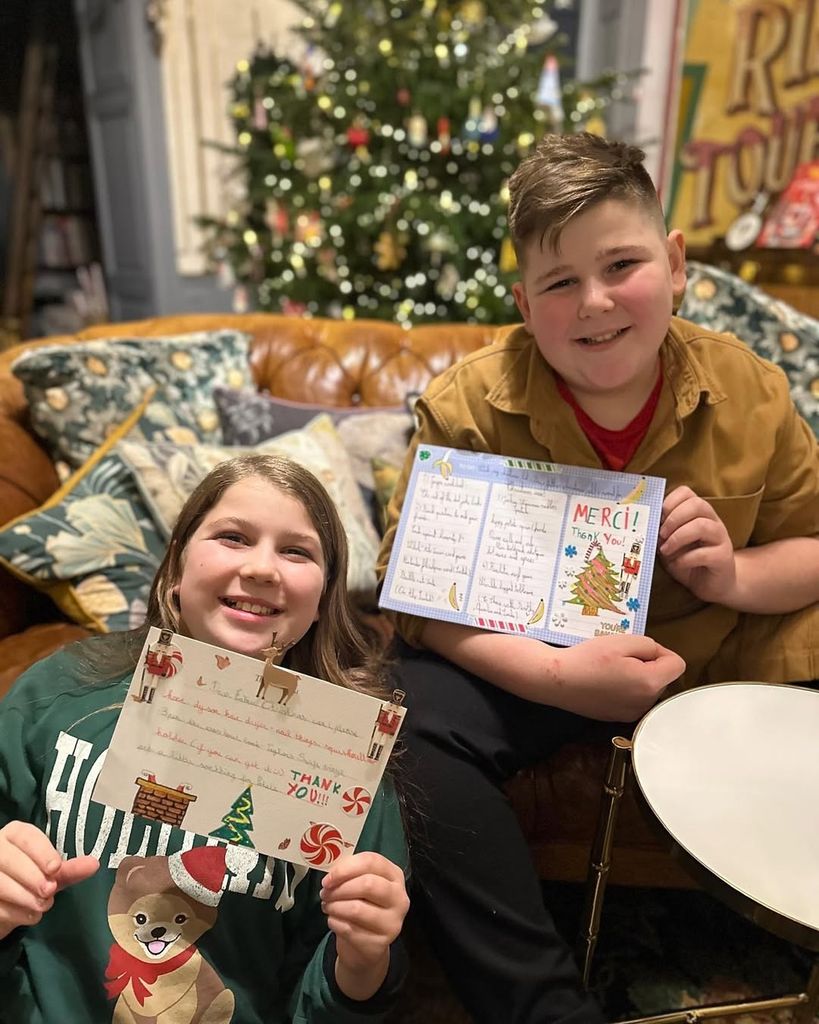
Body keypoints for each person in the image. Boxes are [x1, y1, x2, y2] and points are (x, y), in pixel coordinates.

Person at [376, 132, 819, 1024]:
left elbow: (811, 545)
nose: (596, 302)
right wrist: (556, 675)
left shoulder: (754, 392)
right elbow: (417, 599)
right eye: (559, 283)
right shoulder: (464, 405)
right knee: (398, 720)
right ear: (523, 305)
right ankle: (540, 1007)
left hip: (719, 650)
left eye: (622, 263)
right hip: (534, 665)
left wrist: (732, 574)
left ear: (677, 262)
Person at [0, 454, 410, 1024]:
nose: (264, 568)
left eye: (296, 551)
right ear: (175, 570)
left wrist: (365, 958)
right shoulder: (58, 695)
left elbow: (335, 991)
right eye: (233, 537)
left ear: (323, 601)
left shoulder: (348, 766)